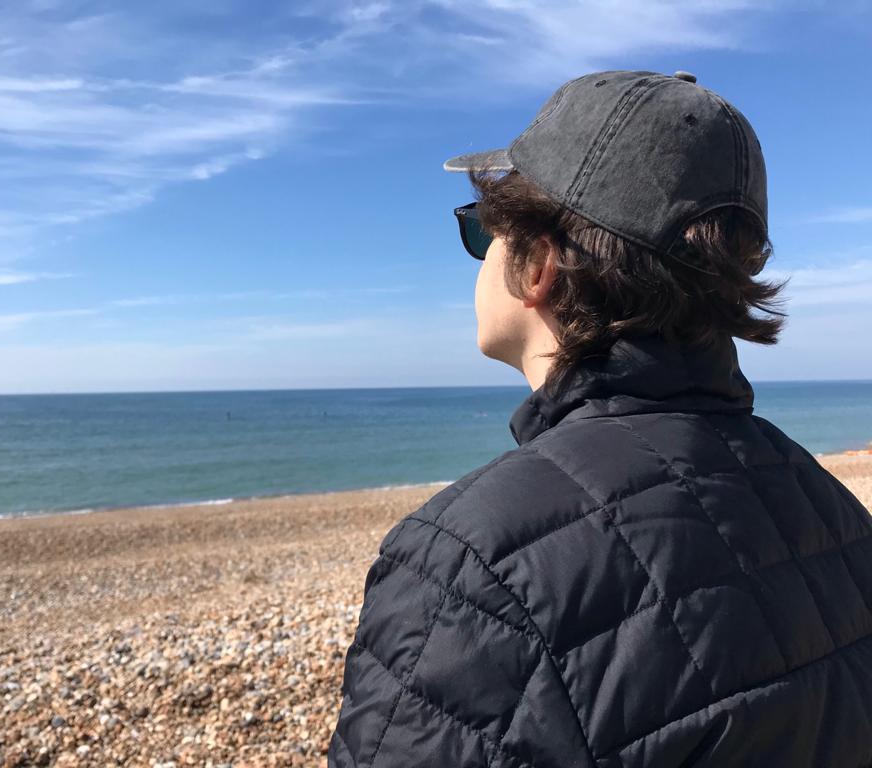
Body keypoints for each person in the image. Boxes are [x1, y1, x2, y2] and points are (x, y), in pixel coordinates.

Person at [326, 70, 872, 767]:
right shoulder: (831, 510)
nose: (479, 252)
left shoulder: (469, 565)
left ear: (538, 267)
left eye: (481, 231)